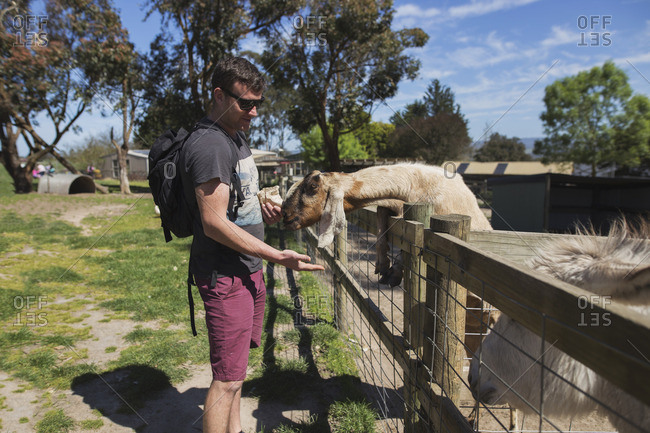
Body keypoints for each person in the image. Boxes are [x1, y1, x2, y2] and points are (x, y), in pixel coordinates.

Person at [179, 56, 324, 433]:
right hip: (224, 275)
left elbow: (232, 203)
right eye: (246, 103)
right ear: (218, 95)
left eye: (258, 103)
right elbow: (212, 221)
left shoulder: (235, 135)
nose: (254, 112)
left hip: (247, 270)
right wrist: (276, 254)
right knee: (225, 379)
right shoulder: (210, 144)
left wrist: (259, 209)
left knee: (237, 374)